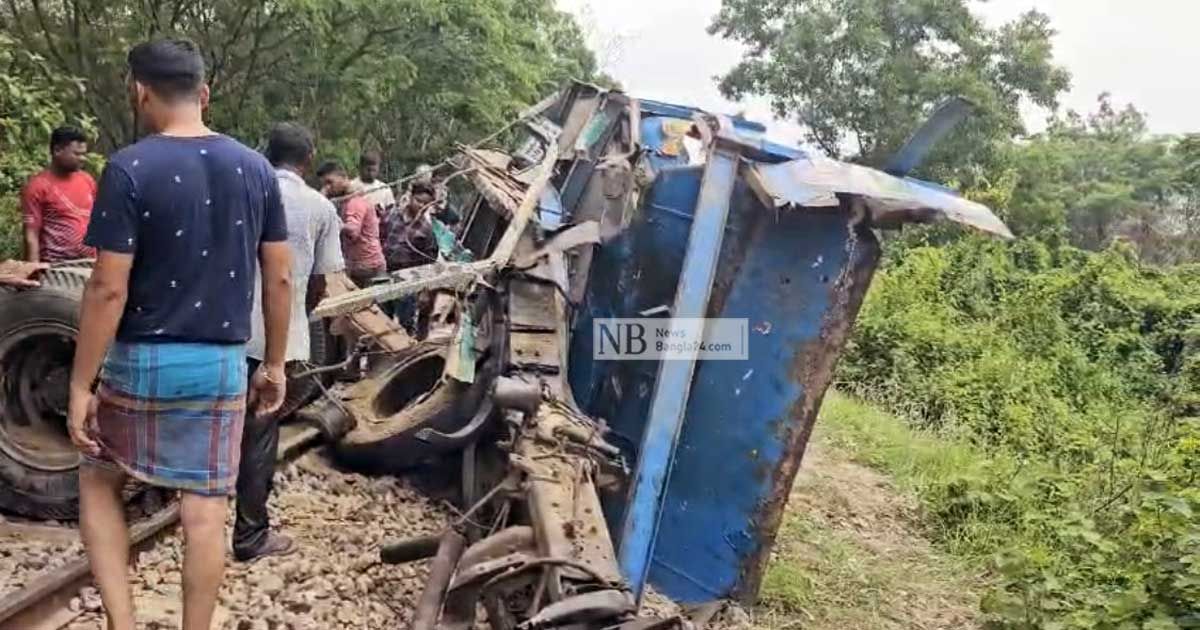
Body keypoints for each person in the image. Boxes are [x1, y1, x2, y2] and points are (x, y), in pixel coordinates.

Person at [66, 39, 292, 630]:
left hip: (140, 359)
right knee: (205, 508)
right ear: (205, 93)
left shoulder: (128, 168)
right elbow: (281, 276)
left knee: (97, 477)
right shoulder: (256, 168)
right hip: (219, 365)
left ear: (140, 90)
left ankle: (122, 620)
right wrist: (274, 364)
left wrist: (80, 385)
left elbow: (107, 290)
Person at [235, 122, 343, 562]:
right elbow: (320, 281)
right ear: (309, 159)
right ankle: (249, 537)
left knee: (214, 427)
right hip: (276, 341)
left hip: (222, 330)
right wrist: (299, 314)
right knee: (259, 436)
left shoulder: (241, 192)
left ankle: (196, 518)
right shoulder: (320, 207)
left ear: (265, 151)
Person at [21, 126, 97, 262]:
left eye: (83, 154)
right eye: (76, 154)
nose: (82, 159)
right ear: (57, 150)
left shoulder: (87, 180)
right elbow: (31, 234)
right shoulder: (38, 186)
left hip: (90, 263)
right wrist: (33, 271)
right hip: (56, 266)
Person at [318, 161, 386, 287]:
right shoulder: (345, 199)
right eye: (324, 184)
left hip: (367, 267)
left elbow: (353, 231)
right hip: (358, 264)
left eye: (329, 182)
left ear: (343, 177)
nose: (327, 188)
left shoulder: (355, 201)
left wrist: (333, 222)